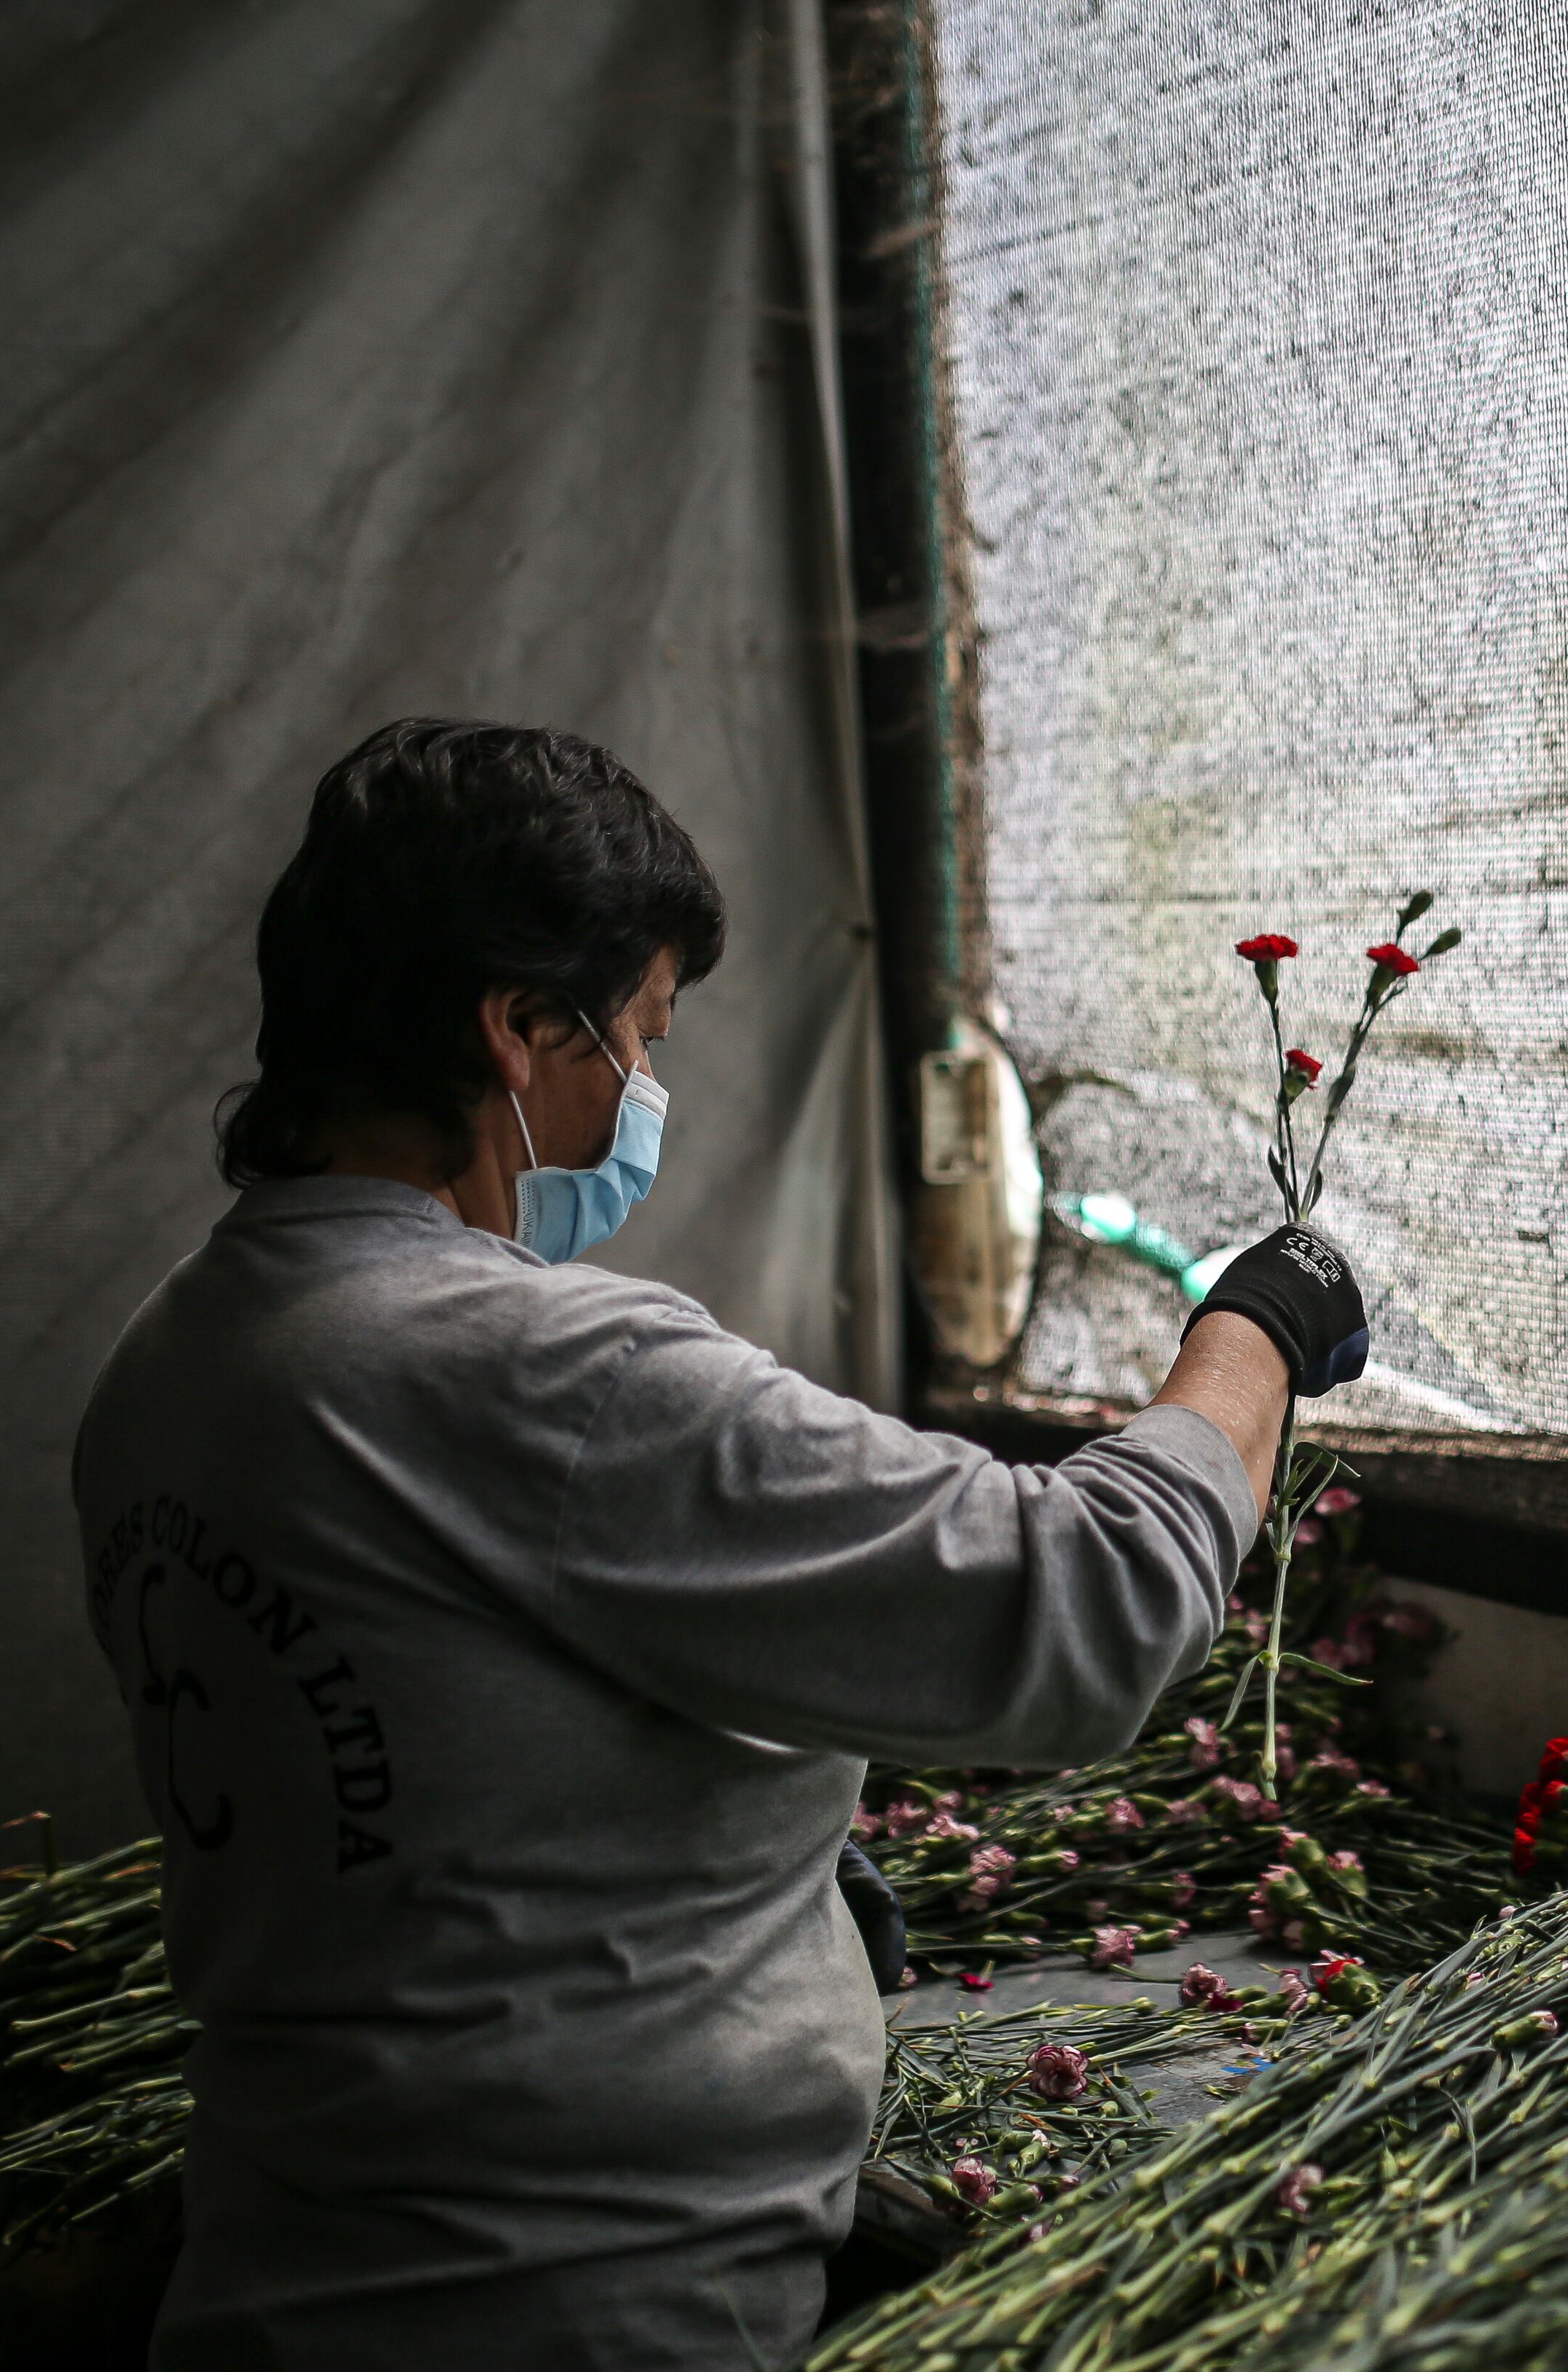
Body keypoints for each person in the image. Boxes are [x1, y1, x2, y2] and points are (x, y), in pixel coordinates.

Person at [74, 719, 1368, 2368]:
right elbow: (1085, 1604)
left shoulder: (166, 1363)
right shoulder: (534, 1368)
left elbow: (431, 1761)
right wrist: (1253, 1326)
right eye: (640, 1033)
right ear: (522, 1026)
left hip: (283, 2270)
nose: (647, 1090)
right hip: (570, 2310)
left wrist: (768, 1868)